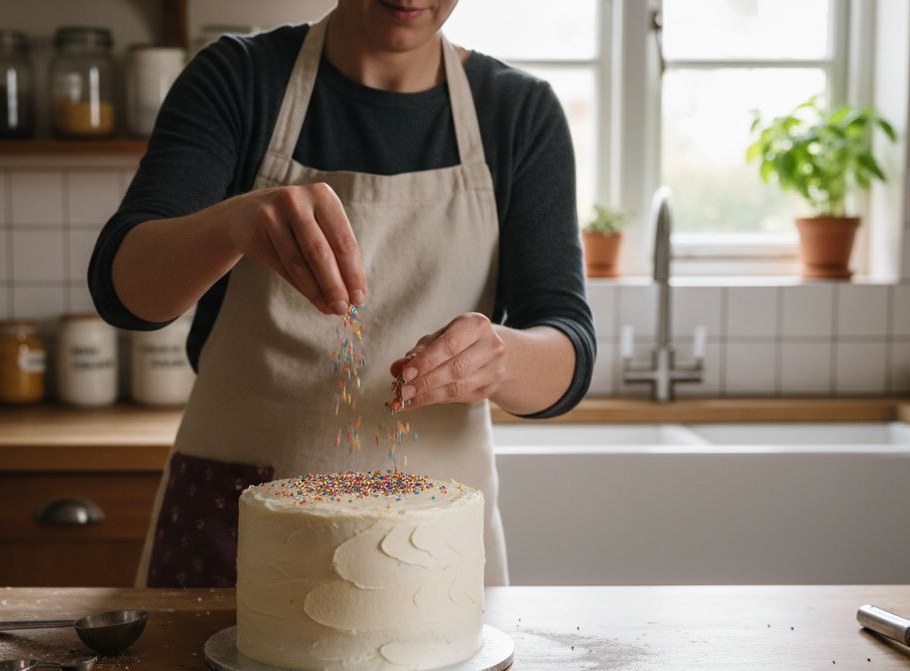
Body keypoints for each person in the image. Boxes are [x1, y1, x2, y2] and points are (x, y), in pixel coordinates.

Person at [90, 0, 595, 589]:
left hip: (427, 554)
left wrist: (499, 357)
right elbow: (126, 291)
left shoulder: (516, 112)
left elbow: (567, 346)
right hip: (232, 533)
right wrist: (233, 225)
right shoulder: (241, 78)